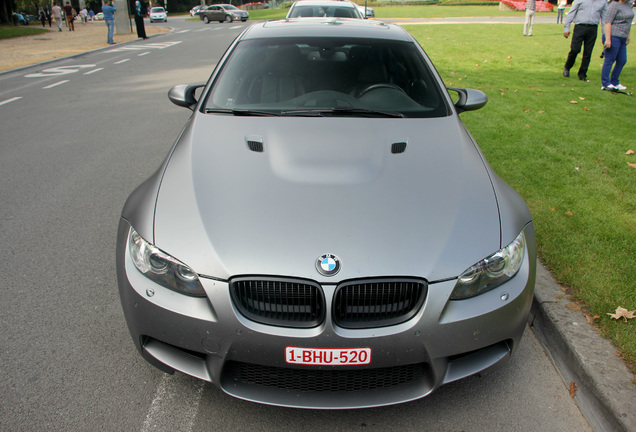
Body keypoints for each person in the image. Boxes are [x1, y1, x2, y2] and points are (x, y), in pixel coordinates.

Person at [563, 0, 607, 81]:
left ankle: (582, 73)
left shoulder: (602, 2)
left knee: (588, 52)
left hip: (593, 28)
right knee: (575, 50)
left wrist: (605, 34)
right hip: (580, 27)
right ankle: (567, 67)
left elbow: (604, 19)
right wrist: (567, 28)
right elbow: (571, 13)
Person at [601, 0, 633, 90]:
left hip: (623, 36)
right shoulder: (614, 5)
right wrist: (607, 39)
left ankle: (615, 82)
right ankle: (605, 83)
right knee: (610, 59)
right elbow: (607, 22)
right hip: (613, 36)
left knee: (622, 60)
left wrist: (628, 35)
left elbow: (628, 22)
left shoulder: (628, 4)